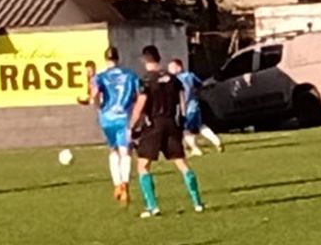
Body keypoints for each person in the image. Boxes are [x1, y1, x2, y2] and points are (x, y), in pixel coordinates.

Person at [129, 45, 205, 218]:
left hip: (154, 125)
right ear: (159, 58)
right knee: (182, 164)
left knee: (143, 166)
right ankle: (197, 202)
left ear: (144, 60)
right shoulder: (173, 79)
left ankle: (152, 206)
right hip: (171, 123)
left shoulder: (146, 80)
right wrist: (182, 119)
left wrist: (132, 126)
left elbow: (140, 104)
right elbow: (182, 99)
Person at [85, 47, 139, 205]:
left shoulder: (101, 76)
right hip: (124, 117)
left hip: (107, 118)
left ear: (106, 59)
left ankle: (117, 184)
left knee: (113, 151)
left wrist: (97, 106)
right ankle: (125, 184)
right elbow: (138, 95)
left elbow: (95, 94)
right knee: (125, 152)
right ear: (118, 58)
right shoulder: (130, 75)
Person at [168, 58, 223, 156]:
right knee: (200, 126)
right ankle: (216, 140)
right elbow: (200, 85)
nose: (169, 70)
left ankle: (195, 149)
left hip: (186, 109)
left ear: (179, 67)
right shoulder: (191, 75)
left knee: (185, 129)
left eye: (172, 68)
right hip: (195, 106)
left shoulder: (176, 80)